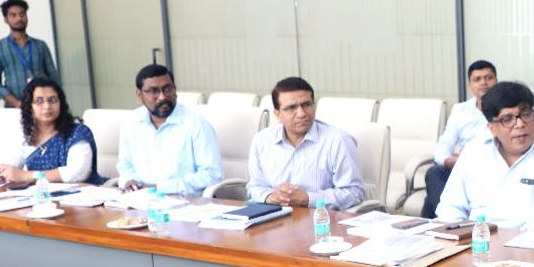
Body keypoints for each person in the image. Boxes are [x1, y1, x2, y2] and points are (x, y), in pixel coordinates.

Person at [435, 81, 534, 231]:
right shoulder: (475, 149)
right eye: (507, 119)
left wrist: (514, 239)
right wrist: (459, 235)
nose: (519, 124)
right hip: (478, 239)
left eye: (525, 114)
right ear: (491, 128)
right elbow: (451, 206)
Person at [247, 77, 364, 210]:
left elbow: (354, 193)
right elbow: (254, 186)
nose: (301, 114)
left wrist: (308, 199)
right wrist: (270, 197)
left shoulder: (338, 141)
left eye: (306, 105)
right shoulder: (262, 141)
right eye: (291, 108)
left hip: (320, 218)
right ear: (277, 114)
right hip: (274, 215)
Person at [117, 64, 222, 196]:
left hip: (185, 200)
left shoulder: (196, 124)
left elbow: (212, 175)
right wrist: (128, 181)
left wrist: (161, 188)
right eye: (154, 91)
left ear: (175, 90)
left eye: (167, 89)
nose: (162, 97)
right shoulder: (130, 122)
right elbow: (125, 166)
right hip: (140, 199)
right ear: (139, 95)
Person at [0, 78, 104, 186]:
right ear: (29, 107)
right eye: (39, 101)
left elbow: (77, 173)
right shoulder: (27, 134)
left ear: (60, 103)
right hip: (41, 196)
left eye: (52, 100)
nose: (47, 106)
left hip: (82, 195)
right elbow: (12, 163)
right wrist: (1, 172)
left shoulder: (77, 133)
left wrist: (27, 176)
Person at [421, 60, 497, 218]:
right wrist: (449, 161)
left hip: (493, 166)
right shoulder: (460, 110)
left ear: (496, 80)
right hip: (462, 166)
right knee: (434, 173)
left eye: (488, 78)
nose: (484, 82)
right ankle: (448, 220)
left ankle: (442, 222)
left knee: (429, 202)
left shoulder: (505, 109)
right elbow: (444, 143)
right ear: (470, 85)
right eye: (477, 79)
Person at [0, 0, 59, 109]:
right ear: (6, 20)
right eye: (13, 15)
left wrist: (51, 101)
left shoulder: (40, 45)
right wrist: (17, 104)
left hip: (42, 107)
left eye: (22, 14)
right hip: (14, 108)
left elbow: (54, 77)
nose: (19, 18)